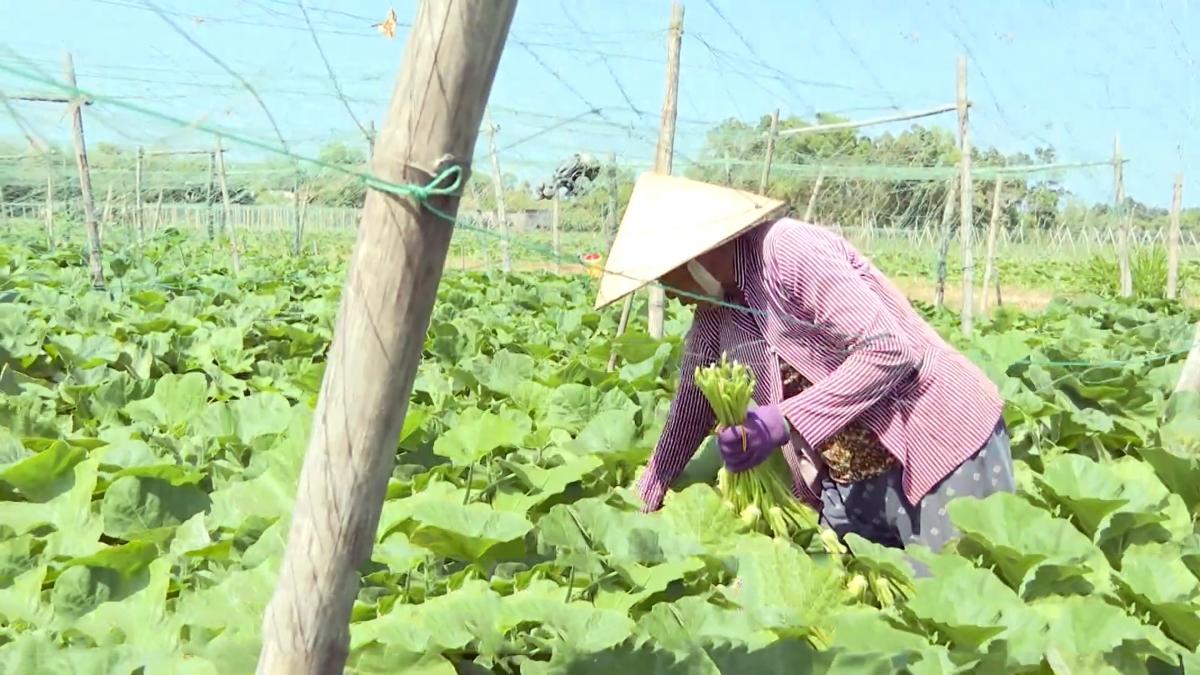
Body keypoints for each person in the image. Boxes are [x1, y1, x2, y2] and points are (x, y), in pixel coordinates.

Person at [593, 173, 1014, 561]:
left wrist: (784, 420)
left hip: (939, 440)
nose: (667, 293)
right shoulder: (716, 310)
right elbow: (691, 408)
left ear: (697, 255)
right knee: (866, 616)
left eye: (668, 278)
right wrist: (649, 490)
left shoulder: (787, 251)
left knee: (948, 594)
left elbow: (889, 350)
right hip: (848, 477)